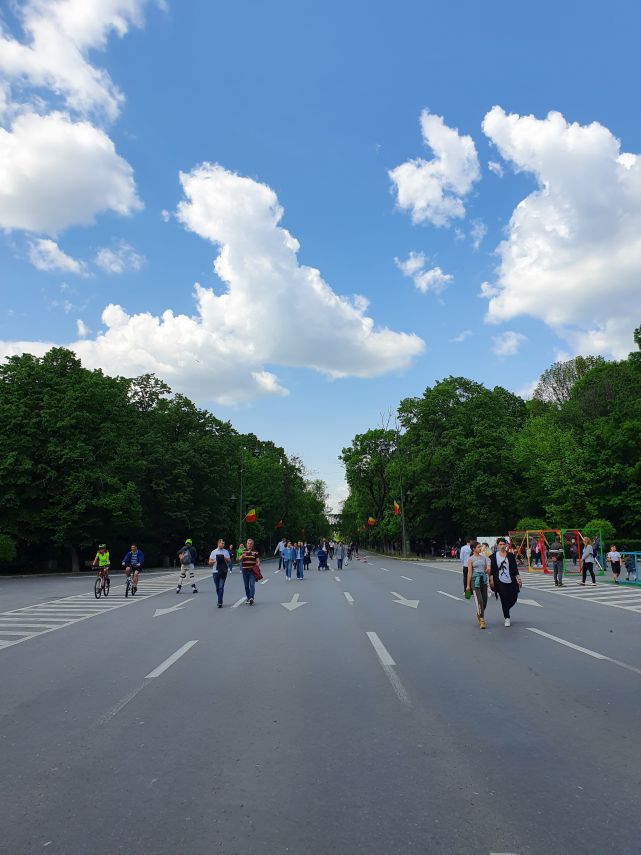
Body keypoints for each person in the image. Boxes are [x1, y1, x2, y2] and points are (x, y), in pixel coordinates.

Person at [489, 537, 522, 627]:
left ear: (506, 545)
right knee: (504, 598)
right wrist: (491, 580)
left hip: (511, 580)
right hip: (499, 581)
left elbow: (515, 568)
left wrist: (519, 578)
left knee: (514, 597)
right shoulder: (493, 557)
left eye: (504, 544)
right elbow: (492, 570)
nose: (502, 546)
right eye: (500, 544)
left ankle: (506, 608)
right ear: (497, 545)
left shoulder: (510, 555)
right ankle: (507, 618)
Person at [466, 541, 489, 629]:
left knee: (485, 601)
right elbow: (469, 573)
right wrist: (468, 585)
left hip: (483, 580)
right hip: (475, 581)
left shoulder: (483, 558)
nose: (480, 548)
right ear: (473, 549)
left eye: (480, 547)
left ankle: (479, 613)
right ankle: (482, 620)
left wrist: (487, 571)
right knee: (480, 601)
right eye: (478, 547)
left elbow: (485, 569)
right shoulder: (470, 559)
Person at [209, 538, 231, 607]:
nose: (223, 544)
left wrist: (224, 558)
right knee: (217, 588)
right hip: (215, 571)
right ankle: (220, 599)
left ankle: (219, 602)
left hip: (223, 571)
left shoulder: (226, 552)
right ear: (218, 543)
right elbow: (209, 562)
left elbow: (229, 561)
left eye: (224, 543)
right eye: (222, 543)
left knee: (221, 587)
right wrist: (215, 560)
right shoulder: (213, 552)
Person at [240, 538, 260, 605]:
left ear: (252, 544)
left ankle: (251, 598)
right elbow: (239, 560)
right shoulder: (243, 551)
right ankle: (248, 598)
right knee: (246, 586)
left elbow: (258, 561)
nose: (249, 545)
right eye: (248, 543)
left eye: (251, 544)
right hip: (245, 571)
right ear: (246, 544)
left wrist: (257, 566)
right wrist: (242, 556)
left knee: (252, 585)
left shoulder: (255, 552)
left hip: (252, 571)